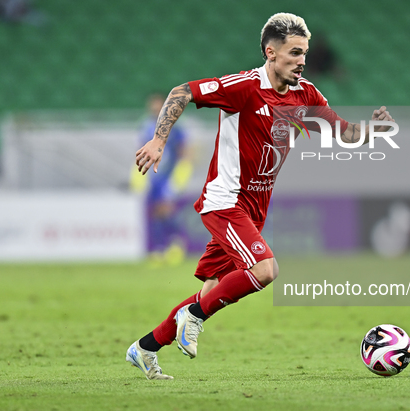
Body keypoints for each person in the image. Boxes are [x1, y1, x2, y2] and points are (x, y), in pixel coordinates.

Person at [126, 12, 395, 380]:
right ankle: (193, 318)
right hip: (225, 201)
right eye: (294, 53)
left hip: (254, 210)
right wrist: (159, 140)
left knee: (211, 291)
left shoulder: (307, 95)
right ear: (271, 52)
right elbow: (182, 92)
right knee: (265, 270)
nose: (301, 61)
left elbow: (342, 132)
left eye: (304, 53)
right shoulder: (244, 87)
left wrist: (372, 131)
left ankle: (145, 348)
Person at [130, 93, 192, 264]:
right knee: (156, 212)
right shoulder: (145, 125)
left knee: (166, 209)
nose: (154, 108)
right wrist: (138, 174)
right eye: (152, 104)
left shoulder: (176, 125)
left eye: (158, 104)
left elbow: (183, 151)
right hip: (153, 176)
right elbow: (141, 148)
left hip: (169, 174)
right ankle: (160, 248)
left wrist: (180, 175)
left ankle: (176, 244)